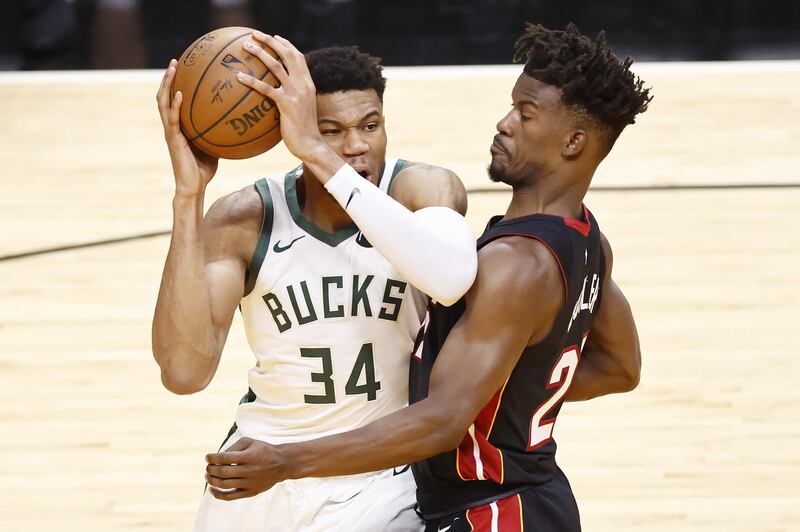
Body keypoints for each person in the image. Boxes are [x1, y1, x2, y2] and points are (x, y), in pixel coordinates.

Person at [204, 23, 650, 532]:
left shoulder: (515, 264)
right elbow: (619, 367)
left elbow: (441, 422)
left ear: (573, 142)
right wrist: (512, 391)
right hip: (532, 500)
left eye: (525, 115)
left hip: (493, 510)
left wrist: (286, 463)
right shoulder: (586, 236)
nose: (503, 124)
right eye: (510, 107)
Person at [152, 41, 479, 531]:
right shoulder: (246, 218)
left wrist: (321, 155)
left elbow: (449, 279)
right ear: (294, 130)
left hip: (381, 473)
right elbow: (184, 372)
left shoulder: (422, 192)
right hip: (259, 465)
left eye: (370, 125)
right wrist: (187, 197)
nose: (356, 146)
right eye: (330, 131)